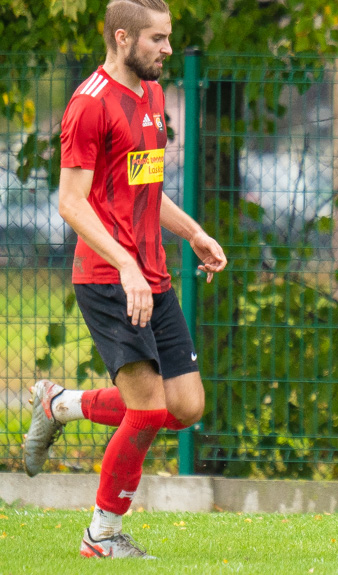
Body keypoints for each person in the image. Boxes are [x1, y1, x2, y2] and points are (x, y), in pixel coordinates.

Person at [23, 0, 226, 559]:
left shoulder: (153, 94)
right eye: (158, 39)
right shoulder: (88, 105)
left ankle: (61, 405)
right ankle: (102, 536)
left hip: (152, 277)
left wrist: (193, 233)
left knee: (184, 407)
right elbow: (70, 202)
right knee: (146, 409)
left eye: (167, 39)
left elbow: (144, 189)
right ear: (121, 37)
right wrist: (127, 264)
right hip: (109, 279)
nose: (166, 49)